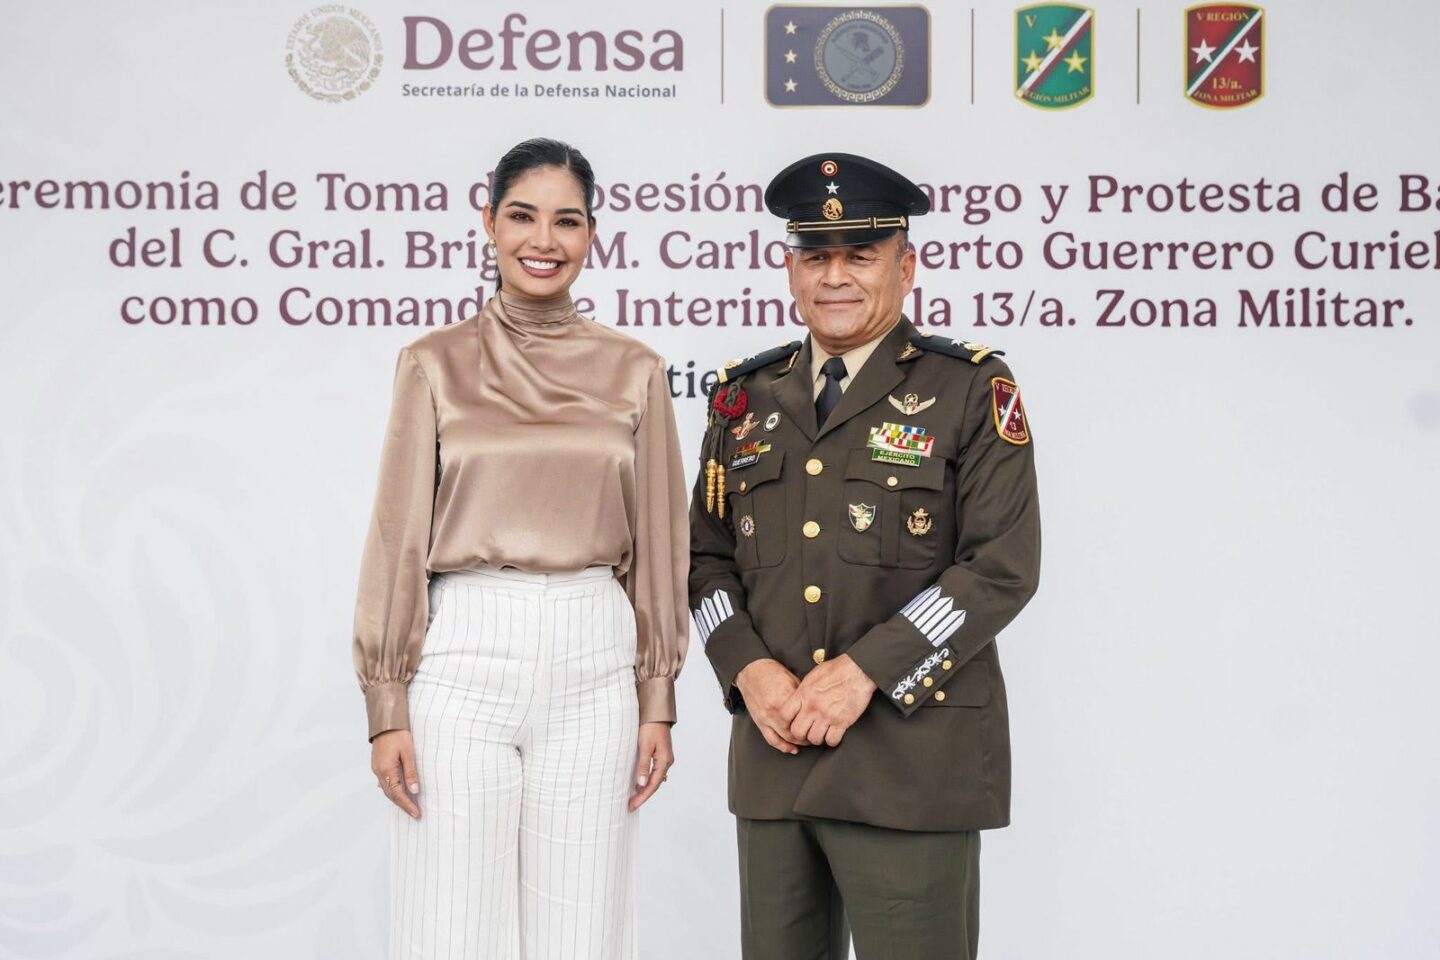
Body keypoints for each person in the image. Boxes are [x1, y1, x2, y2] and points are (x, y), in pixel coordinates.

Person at [689, 152, 1042, 959]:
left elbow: (1000, 567)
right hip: (775, 760)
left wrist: (863, 674)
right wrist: (749, 670)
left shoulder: (969, 389)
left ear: (906, 266)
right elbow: (704, 565)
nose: (835, 277)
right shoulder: (743, 399)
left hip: (909, 760)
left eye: (861, 255)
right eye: (816, 256)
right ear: (790, 269)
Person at [351, 137, 689, 959]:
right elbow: (398, 536)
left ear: (593, 234)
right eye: (523, 217)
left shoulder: (635, 369)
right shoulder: (433, 365)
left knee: (584, 929)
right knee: (451, 926)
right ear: (489, 225)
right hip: (465, 652)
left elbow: (660, 546)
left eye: (567, 221)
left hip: (595, 655)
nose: (545, 240)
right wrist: (385, 703)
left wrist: (657, 696)